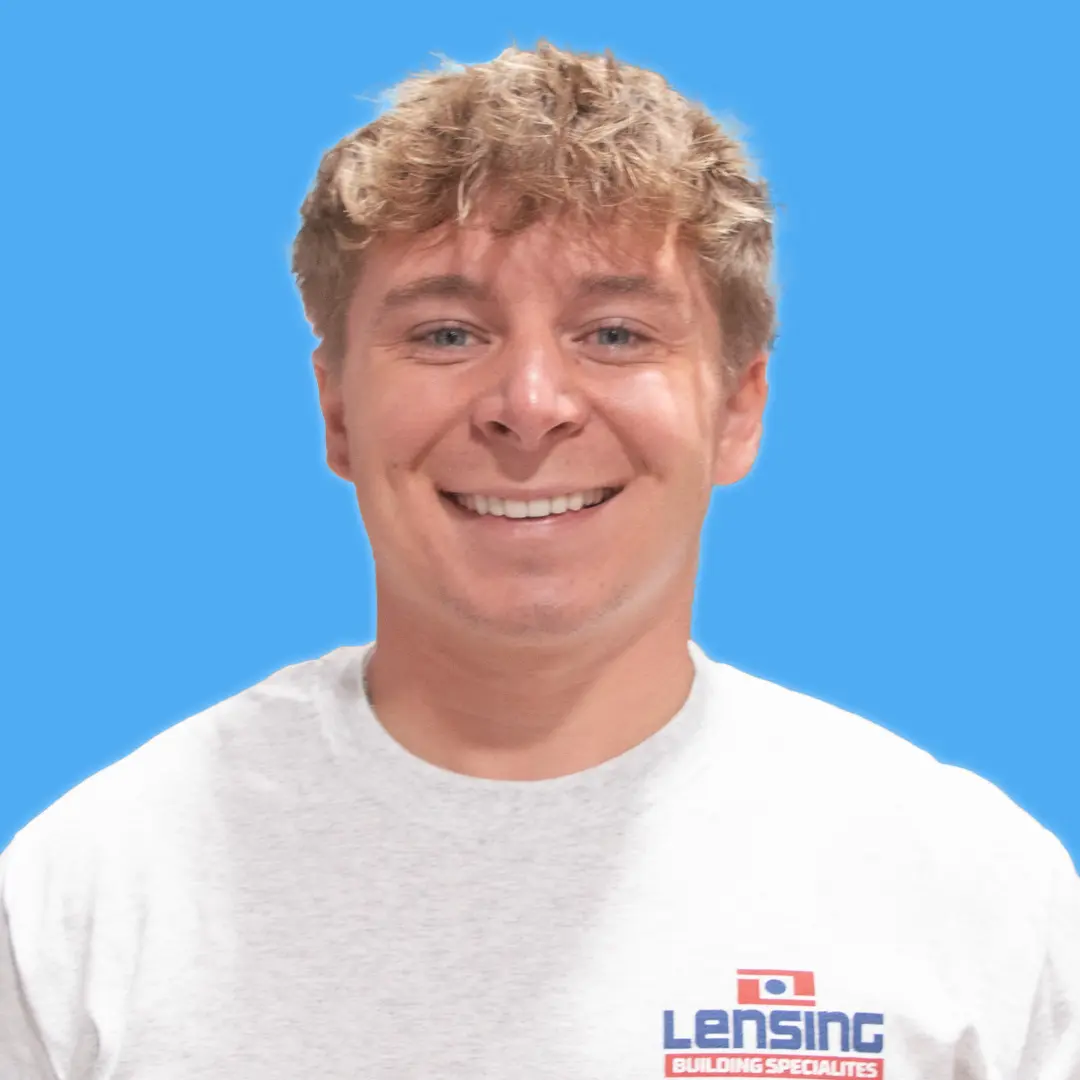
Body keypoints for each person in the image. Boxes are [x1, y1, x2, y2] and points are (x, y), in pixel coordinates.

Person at [1, 40, 1077, 1080]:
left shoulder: (974, 894)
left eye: (614, 334)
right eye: (446, 335)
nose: (529, 408)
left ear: (739, 409)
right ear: (336, 409)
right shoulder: (84, 899)